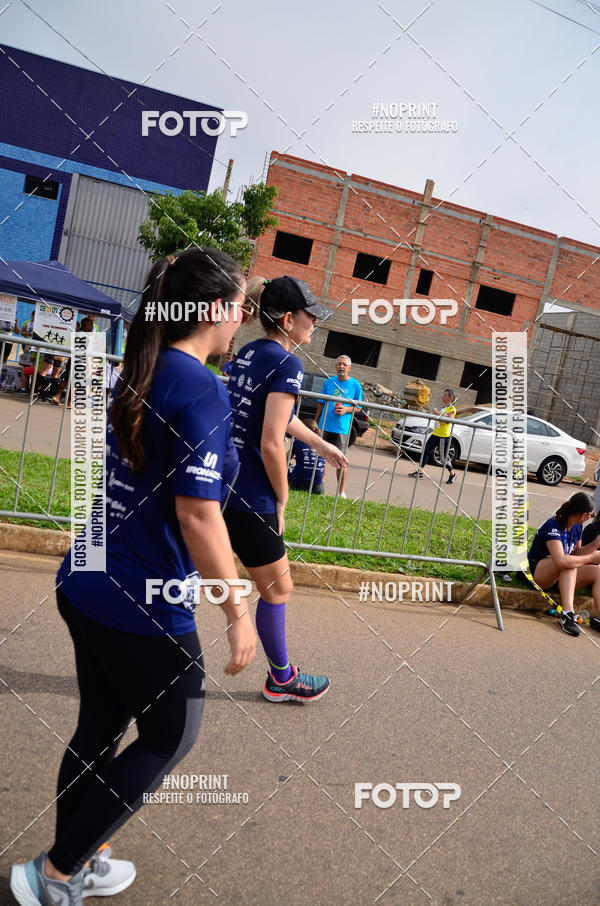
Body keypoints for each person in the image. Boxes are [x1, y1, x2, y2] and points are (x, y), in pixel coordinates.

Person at [10, 248, 257, 906]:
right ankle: (54, 874)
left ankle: (79, 859)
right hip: (141, 599)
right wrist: (238, 611)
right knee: (170, 735)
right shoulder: (201, 387)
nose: (242, 319)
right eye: (241, 306)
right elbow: (199, 515)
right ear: (214, 310)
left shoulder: (142, 367)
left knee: (99, 730)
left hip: (85, 579)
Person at [224, 275, 346, 703]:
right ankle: (281, 678)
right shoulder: (288, 365)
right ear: (289, 319)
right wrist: (283, 495)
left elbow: (273, 415)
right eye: (311, 315)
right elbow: (271, 441)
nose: (316, 323)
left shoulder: (250, 352)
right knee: (277, 588)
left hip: (222, 485)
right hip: (251, 495)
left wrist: (319, 443)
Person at [527, 491, 600, 637]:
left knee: (598, 571)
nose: (591, 517)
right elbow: (561, 559)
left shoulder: (577, 526)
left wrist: (595, 544)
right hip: (539, 574)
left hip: (563, 575)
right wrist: (591, 558)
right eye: (592, 515)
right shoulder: (553, 525)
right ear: (583, 515)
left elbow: (576, 553)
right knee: (568, 563)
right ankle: (567, 614)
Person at [314, 355, 363, 499]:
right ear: (336, 366)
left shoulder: (355, 385)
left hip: (341, 429)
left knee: (341, 461)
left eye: (344, 365)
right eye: (339, 364)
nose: (341, 366)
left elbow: (359, 407)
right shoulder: (329, 382)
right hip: (324, 426)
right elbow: (321, 403)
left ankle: (341, 493)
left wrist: (346, 409)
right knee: (321, 459)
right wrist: (316, 422)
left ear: (349, 368)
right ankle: (319, 487)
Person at [409, 388, 458, 484]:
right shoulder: (444, 407)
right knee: (426, 450)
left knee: (443, 458)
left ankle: (452, 474)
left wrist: (437, 413)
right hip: (435, 434)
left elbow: (448, 420)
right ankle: (420, 471)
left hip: (443, 436)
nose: (443, 397)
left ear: (450, 398)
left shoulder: (452, 409)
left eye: (445, 395)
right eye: (443, 395)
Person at [50, 317, 95, 407]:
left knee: (69, 380)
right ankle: (65, 400)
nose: (92, 327)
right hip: (79, 361)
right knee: (73, 381)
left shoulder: (80, 333)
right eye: (90, 325)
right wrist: (87, 363)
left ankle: (61, 398)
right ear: (85, 325)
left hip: (74, 360)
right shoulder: (84, 335)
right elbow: (84, 351)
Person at [288, 418, 326, 494]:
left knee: (287, 466)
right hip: (318, 487)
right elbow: (324, 466)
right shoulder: (323, 444)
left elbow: (287, 457)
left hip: (298, 483)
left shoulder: (298, 442)